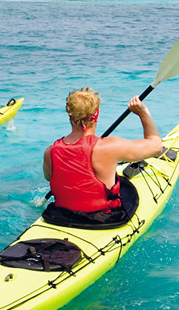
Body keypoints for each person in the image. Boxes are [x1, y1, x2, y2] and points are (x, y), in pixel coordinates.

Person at [43, 87, 163, 216]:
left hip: (62, 215)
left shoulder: (50, 151)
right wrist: (143, 112)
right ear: (96, 114)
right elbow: (156, 146)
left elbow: (49, 177)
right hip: (102, 218)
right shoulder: (109, 147)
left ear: (70, 115)